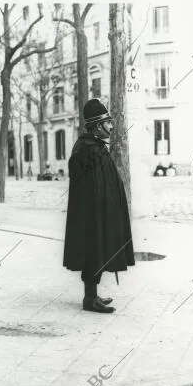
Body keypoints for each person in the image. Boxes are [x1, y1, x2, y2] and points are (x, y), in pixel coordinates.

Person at [63, 99, 135, 314]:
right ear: (97, 125)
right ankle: (89, 298)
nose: (111, 127)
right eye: (108, 123)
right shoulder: (87, 149)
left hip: (100, 212)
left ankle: (93, 295)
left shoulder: (94, 147)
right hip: (92, 215)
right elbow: (88, 187)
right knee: (93, 251)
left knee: (98, 251)